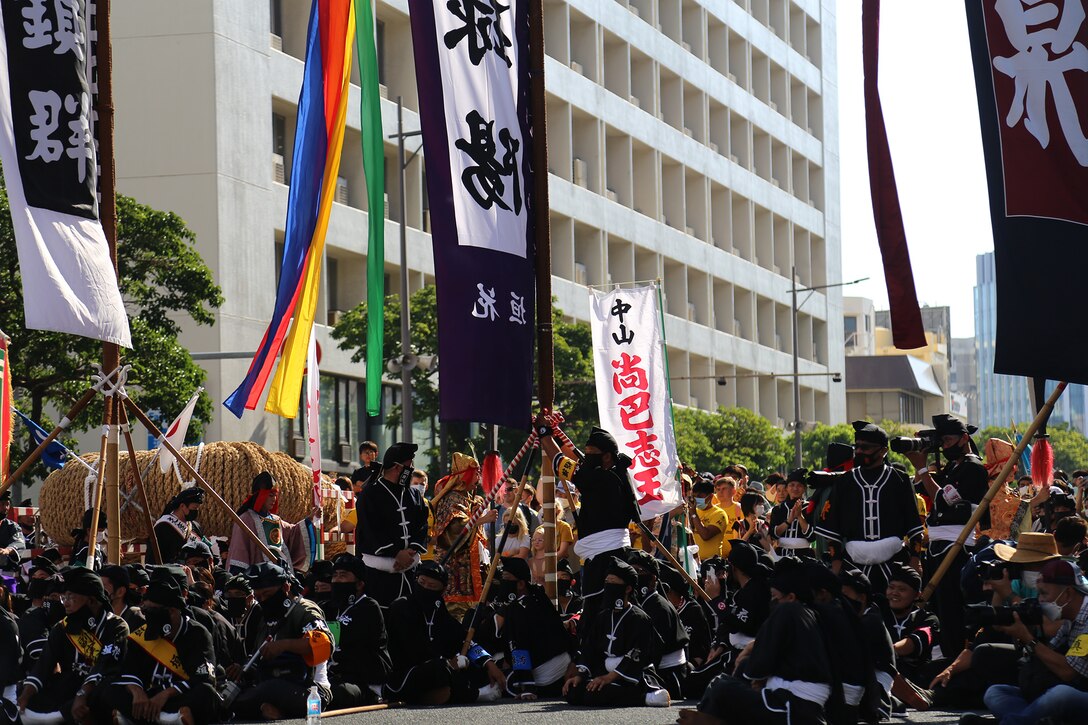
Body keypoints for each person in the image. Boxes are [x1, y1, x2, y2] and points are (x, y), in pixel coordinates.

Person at [682, 557, 833, 725]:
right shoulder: (809, 613)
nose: (772, 601)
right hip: (798, 698)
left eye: (775, 597)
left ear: (790, 596)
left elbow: (759, 666)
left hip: (794, 703)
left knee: (721, 686)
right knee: (735, 676)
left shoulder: (788, 611)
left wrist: (754, 670)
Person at [539, 424, 642, 634]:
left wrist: (545, 437)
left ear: (606, 457)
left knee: (600, 607)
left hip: (606, 554)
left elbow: (561, 464)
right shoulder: (613, 474)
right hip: (606, 552)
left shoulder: (602, 478)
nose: (587, 458)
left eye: (591, 454)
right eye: (585, 453)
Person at [910, 414, 989, 659]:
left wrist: (922, 467)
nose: (944, 445)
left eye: (948, 439)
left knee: (953, 606)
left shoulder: (973, 466)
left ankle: (955, 655)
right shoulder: (954, 466)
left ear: (964, 438)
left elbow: (944, 498)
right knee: (940, 607)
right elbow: (925, 491)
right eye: (940, 441)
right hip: (938, 543)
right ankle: (943, 652)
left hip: (957, 545)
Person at [972, 558, 1088, 724]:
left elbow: (1068, 672)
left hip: (1079, 693)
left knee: (1061, 694)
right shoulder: (1069, 616)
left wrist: (1028, 638)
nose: (1040, 600)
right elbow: (1048, 652)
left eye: (1044, 593)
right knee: (996, 692)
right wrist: (1021, 632)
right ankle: (1030, 720)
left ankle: (1013, 721)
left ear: (1068, 593)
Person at [814, 421, 924, 593]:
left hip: (894, 563)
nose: (859, 451)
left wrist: (914, 562)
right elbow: (832, 530)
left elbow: (915, 527)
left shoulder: (900, 479)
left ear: (883, 451)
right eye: (856, 447)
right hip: (853, 565)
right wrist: (836, 566)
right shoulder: (844, 481)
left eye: (865, 447)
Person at [382, 561, 506, 705]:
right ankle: (475, 694)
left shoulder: (438, 608)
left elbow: (462, 638)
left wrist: (488, 662)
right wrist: (448, 662)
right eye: (422, 582)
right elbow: (412, 650)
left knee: (474, 666)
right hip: (404, 676)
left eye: (432, 586)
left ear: (442, 589)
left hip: (437, 671)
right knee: (440, 669)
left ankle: (441, 694)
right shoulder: (401, 607)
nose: (425, 588)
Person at [18, 568, 129, 724]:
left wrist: (82, 694)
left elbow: (105, 665)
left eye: (70, 596)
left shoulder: (116, 626)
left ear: (91, 600)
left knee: (107, 690)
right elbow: (44, 664)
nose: (65, 603)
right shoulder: (62, 627)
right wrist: (25, 695)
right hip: (70, 686)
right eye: (64, 597)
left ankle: (55, 718)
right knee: (23, 690)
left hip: (95, 688)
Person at [101, 577, 217, 725]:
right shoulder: (143, 631)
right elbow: (128, 668)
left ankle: (140, 719)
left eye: (153, 610)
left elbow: (204, 677)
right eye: (145, 610)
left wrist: (166, 694)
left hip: (176, 695)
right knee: (108, 687)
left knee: (206, 693)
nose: (148, 615)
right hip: (148, 694)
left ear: (173, 611)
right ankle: (168, 719)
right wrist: (137, 691)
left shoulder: (197, 633)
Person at [229, 562, 334, 721]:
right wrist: (243, 668)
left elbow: (324, 645)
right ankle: (268, 709)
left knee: (270, 689)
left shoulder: (304, 610)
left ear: (285, 587)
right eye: (258, 597)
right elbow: (259, 655)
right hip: (270, 679)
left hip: (311, 690)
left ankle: (265, 708)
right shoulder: (266, 615)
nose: (263, 600)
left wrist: (284, 645)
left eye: (268, 595)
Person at [562, 557, 670, 708]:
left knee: (596, 695)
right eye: (606, 583)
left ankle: (644, 696)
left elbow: (637, 653)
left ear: (627, 588)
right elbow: (590, 648)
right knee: (573, 692)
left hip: (631, 674)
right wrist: (580, 676)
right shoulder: (603, 616)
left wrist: (608, 678)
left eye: (613, 582)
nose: (609, 586)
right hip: (605, 671)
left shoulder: (639, 618)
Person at [356, 442, 429, 608]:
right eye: (409, 465)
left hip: (410, 570)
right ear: (397, 467)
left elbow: (422, 524)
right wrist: (396, 552)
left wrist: (411, 550)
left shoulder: (414, 494)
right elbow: (370, 528)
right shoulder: (370, 493)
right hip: (380, 574)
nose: (411, 469)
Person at [495, 556, 574, 699]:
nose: (503, 583)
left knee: (496, 686)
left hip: (544, 673)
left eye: (506, 578)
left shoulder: (516, 608)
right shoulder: (539, 597)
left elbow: (518, 646)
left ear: (520, 584)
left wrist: (527, 686)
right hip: (564, 661)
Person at [322, 555, 391, 709]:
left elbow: (343, 636)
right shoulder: (329, 607)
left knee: (339, 692)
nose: (337, 580)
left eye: (343, 575)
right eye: (335, 576)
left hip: (362, 680)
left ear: (359, 584)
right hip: (332, 675)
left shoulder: (369, 607)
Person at [433, 453, 495, 619]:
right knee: (455, 614)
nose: (478, 477)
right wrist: (481, 519)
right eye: (475, 473)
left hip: (471, 565)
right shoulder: (450, 498)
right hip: (455, 568)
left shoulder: (469, 498)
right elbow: (453, 530)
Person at [625, 549, 689, 699]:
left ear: (653, 578)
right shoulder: (639, 603)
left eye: (639, 571)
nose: (635, 575)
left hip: (667, 674)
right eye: (631, 571)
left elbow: (653, 651)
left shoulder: (659, 607)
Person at [226, 472, 316, 575]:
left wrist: (309, 519)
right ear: (260, 496)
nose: (274, 499)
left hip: (278, 574)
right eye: (270, 495)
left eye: (275, 495)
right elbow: (239, 550)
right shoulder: (245, 520)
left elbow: (293, 533)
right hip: (257, 576)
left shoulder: (276, 520)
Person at [153, 486, 205, 565]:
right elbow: (154, 556)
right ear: (182, 506)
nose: (196, 511)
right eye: (194, 507)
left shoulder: (195, 526)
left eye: (197, 508)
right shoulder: (163, 526)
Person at [771, 468, 815, 557]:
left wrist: (799, 516)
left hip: (804, 555)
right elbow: (773, 535)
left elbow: (812, 536)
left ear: (804, 489)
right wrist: (789, 521)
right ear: (787, 488)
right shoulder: (778, 509)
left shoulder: (811, 508)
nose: (795, 488)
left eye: (799, 485)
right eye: (792, 485)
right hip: (781, 554)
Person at [689, 479, 727, 562]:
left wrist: (694, 514)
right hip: (694, 560)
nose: (696, 500)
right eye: (694, 496)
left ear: (710, 496)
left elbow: (705, 535)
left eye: (699, 496)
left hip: (712, 562)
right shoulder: (694, 511)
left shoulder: (719, 514)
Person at [99, 565, 145, 632]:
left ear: (120, 591)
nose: (99, 592)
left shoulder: (134, 619)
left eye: (103, 587)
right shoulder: (96, 616)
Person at [0, 491, 25, 573]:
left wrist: (7, 550)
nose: (5, 508)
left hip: (6, 573)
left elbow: (19, 542)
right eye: (2, 504)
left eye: (7, 504)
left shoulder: (12, 526)